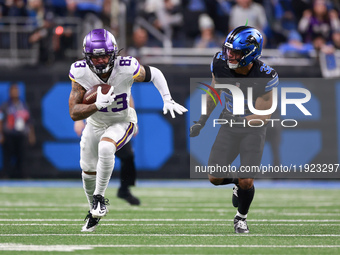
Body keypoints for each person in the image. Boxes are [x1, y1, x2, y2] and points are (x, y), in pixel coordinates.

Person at [68, 28, 187, 232]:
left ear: (114, 53)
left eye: (105, 56)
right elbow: (73, 112)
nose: (101, 62)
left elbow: (154, 73)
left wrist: (167, 98)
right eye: (95, 58)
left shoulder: (126, 67)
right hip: (94, 124)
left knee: (107, 147)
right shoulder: (79, 72)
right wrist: (96, 105)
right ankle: (93, 211)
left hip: (122, 121)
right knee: (87, 170)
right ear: (86, 57)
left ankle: (99, 198)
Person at [190, 26, 279, 233]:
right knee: (214, 177)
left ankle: (241, 217)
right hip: (229, 124)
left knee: (247, 179)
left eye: (236, 52)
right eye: (229, 50)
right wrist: (202, 120)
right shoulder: (220, 63)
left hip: (253, 129)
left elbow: (265, 115)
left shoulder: (265, 75)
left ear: (251, 53)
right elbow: (214, 92)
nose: (229, 55)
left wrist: (242, 120)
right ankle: (237, 183)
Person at [73, 96, 140, 206]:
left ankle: (124, 189)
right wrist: (79, 120)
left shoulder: (120, 79)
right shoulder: (90, 79)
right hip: (96, 125)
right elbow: (80, 96)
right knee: (91, 164)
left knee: (128, 156)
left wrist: (132, 119)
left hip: (117, 125)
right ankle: (94, 198)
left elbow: (128, 96)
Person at [0, 83, 36, 179]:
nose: (15, 93)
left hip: (21, 134)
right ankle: (6, 175)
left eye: (16, 91)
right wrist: (1, 134)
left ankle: (23, 175)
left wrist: (31, 135)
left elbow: (29, 121)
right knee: (7, 157)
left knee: (22, 156)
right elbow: (1, 120)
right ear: (9, 92)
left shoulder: (23, 105)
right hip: (9, 134)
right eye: (13, 91)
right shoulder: (5, 106)